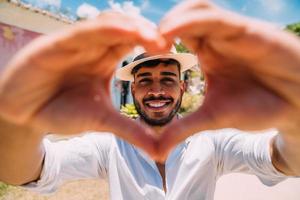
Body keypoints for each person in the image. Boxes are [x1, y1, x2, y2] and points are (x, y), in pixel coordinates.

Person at [0, 0, 299, 199]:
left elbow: (283, 161)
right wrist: (18, 122)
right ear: (132, 89)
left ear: (182, 88)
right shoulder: (109, 144)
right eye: (145, 80)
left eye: (167, 80)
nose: (156, 90)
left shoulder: (213, 141)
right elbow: (25, 172)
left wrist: (294, 118)